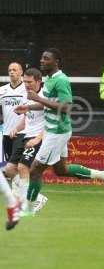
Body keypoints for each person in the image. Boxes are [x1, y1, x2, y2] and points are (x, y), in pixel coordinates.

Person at [15, 48, 104, 216]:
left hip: (57, 132)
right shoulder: (49, 79)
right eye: (42, 58)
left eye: (46, 58)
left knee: (35, 170)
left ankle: (29, 207)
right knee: (61, 170)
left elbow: (67, 107)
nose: (42, 60)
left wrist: (38, 98)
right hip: (53, 130)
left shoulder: (61, 80)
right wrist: (29, 106)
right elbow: (50, 103)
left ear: (56, 62)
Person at [10, 68, 46, 212]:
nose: (26, 84)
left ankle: (27, 203)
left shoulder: (44, 97)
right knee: (10, 169)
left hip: (38, 137)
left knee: (23, 167)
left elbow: (52, 122)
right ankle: (36, 198)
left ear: (38, 82)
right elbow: (26, 119)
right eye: (24, 81)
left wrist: (38, 138)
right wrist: (16, 129)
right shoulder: (26, 96)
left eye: (29, 82)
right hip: (26, 135)